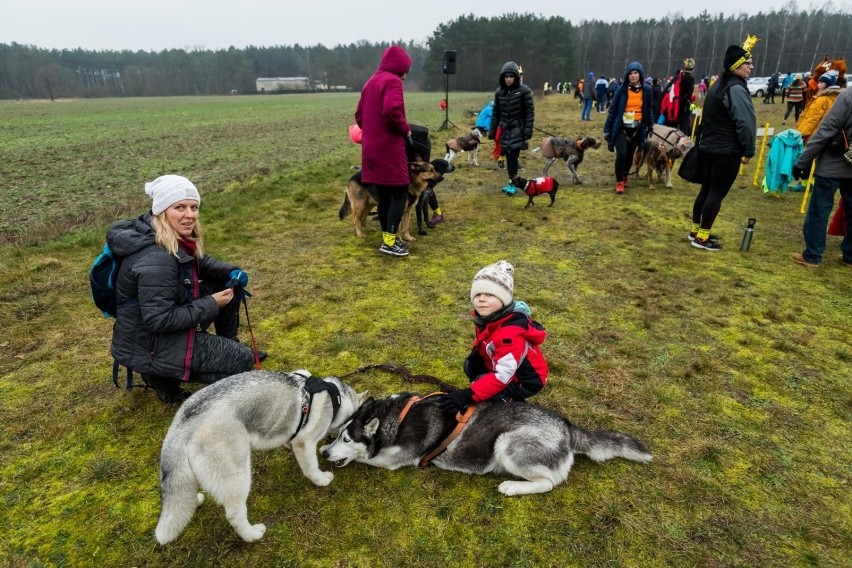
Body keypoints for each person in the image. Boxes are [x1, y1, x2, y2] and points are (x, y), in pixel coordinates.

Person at [107, 175, 262, 403]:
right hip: (151, 344)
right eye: (180, 207)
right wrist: (212, 303)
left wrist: (230, 271)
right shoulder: (157, 259)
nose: (190, 215)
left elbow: (197, 262)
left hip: (151, 334)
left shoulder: (165, 237)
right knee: (241, 361)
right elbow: (159, 320)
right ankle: (161, 375)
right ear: (161, 211)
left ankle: (225, 346)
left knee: (225, 283)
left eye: (194, 207)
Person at [437, 260, 548, 413]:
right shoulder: (489, 318)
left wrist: (468, 395)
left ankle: (510, 404)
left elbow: (503, 375)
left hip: (526, 381)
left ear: (504, 300)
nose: (481, 299)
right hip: (506, 367)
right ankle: (490, 389)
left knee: (487, 389)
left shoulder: (509, 334)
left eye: (489, 294)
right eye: (477, 295)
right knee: (471, 366)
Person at [689, 41, 757, 251]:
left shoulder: (717, 85)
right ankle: (702, 238)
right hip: (726, 152)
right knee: (716, 193)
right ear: (736, 65)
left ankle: (697, 231)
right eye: (748, 63)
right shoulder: (735, 89)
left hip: (709, 148)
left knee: (707, 190)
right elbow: (745, 123)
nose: (751, 67)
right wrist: (748, 149)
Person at [355, 45, 413, 257]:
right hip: (389, 147)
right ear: (399, 67)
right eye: (406, 70)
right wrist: (405, 129)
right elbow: (392, 111)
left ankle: (387, 240)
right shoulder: (392, 81)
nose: (406, 76)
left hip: (371, 149)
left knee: (385, 196)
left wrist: (372, 129)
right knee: (400, 191)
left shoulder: (370, 82)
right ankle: (390, 242)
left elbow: (359, 116)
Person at [789, 87, 852, 268]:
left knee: (819, 210)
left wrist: (803, 161)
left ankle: (812, 256)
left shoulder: (848, 97)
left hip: (832, 166)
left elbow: (826, 129)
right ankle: (850, 255)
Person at [603, 61, 653, 194]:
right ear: (627, 76)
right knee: (622, 154)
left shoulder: (647, 90)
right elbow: (613, 110)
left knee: (630, 155)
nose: (633, 75)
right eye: (630, 73)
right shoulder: (621, 90)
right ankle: (619, 182)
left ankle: (625, 175)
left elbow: (648, 110)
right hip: (621, 128)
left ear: (640, 75)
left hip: (637, 128)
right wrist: (607, 129)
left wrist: (650, 125)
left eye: (636, 73)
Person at [489, 61, 534, 194]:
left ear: (515, 77)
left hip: (517, 130)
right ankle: (511, 181)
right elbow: (496, 113)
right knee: (507, 156)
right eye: (506, 77)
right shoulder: (499, 92)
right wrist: (492, 131)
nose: (508, 79)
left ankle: (513, 184)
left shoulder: (524, 91)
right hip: (504, 130)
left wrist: (527, 130)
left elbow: (529, 113)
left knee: (513, 156)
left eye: (511, 77)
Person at [796, 72, 842, 142]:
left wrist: (804, 133)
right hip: (827, 133)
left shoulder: (821, 99)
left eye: (821, 83)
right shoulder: (836, 97)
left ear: (827, 84)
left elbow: (813, 118)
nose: (818, 85)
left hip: (815, 134)